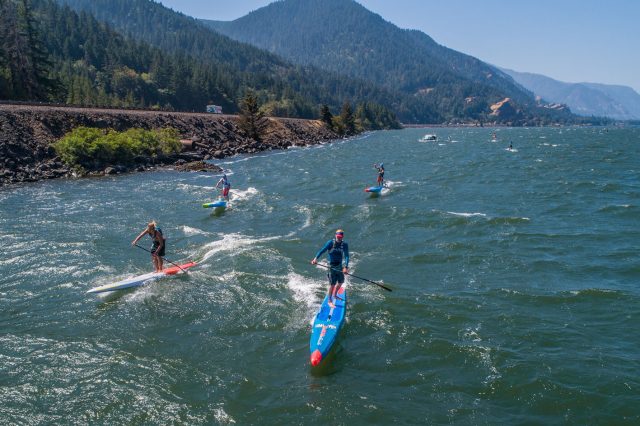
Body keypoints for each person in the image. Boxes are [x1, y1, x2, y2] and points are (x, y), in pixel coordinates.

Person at [311, 229, 350, 308]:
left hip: (339, 266)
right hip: (331, 266)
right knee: (332, 284)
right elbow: (322, 251)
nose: (339, 238)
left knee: (341, 282)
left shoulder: (344, 244)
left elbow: (346, 256)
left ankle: (335, 295)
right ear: (335, 235)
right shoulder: (330, 243)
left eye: (340, 237)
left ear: (342, 237)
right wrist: (315, 259)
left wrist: (346, 267)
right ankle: (329, 301)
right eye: (338, 236)